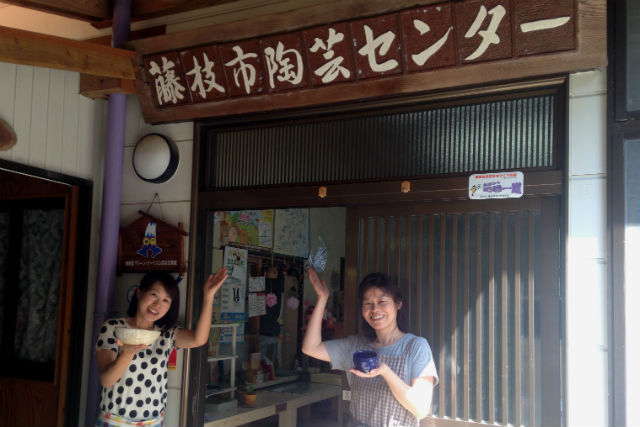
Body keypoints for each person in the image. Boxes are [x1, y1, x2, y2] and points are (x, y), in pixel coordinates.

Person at [302, 269, 438, 427]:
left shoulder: (416, 347)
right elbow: (310, 348)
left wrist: (385, 372)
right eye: (367, 303)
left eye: (382, 301)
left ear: (398, 304)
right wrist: (322, 298)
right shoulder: (356, 346)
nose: (375, 309)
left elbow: (421, 409)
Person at [94, 267, 228, 427]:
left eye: (166, 300)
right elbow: (106, 380)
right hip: (115, 422)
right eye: (154, 295)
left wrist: (208, 296)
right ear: (139, 293)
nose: (157, 305)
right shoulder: (113, 327)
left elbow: (198, 339)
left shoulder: (166, 334)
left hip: (153, 422)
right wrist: (126, 354)